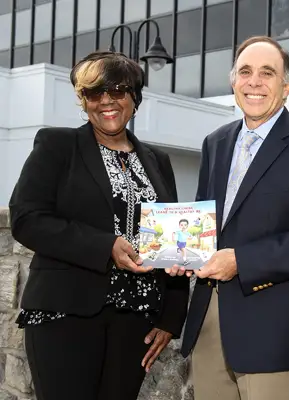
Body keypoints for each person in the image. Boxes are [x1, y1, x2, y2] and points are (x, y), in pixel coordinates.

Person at [166, 36, 289, 400]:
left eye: (268, 73)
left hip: (271, 324)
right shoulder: (215, 142)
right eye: (245, 72)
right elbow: (208, 221)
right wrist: (182, 256)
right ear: (233, 82)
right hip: (209, 319)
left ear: (287, 86)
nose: (255, 82)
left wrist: (242, 262)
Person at [9, 51, 190, 400]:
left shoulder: (158, 160)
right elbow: (26, 218)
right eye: (94, 92)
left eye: (119, 90)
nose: (106, 100)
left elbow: (171, 241)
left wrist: (170, 317)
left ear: (134, 98)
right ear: (83, 100)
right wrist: (105, 246)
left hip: (137, 319)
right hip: (65, 313)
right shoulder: (58, 145)